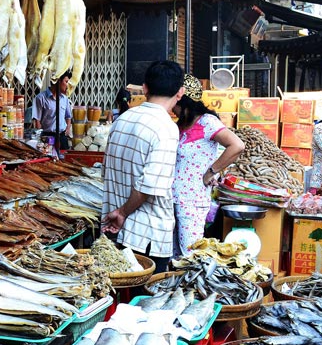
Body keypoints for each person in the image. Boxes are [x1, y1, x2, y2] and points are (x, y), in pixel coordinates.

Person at [102, 60, 183, 272]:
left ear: (145, 88)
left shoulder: (123, 119)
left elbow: (107, 170)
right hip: (147, 237)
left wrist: (119, 213)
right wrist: (122, 213)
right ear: (180, 92)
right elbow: (150, 186)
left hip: (117, 232)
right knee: (143, 299)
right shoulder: (166, 128)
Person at [172, 74, 245, 257]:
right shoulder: (180, 125)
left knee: (190, 255)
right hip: (171, 200)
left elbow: (237, 146)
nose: (171, 106)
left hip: (192, 201)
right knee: (173, 256)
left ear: (184, 101)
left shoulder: (207, 122)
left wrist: (211, 172)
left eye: (174, 100)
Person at [31, 71, 73, 150]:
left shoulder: (65, 99)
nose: (68, 85)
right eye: (66, 82)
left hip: (62, 137)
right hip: (48, 137)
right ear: (58, 81)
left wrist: (67, 129)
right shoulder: (41, 98)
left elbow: (68, 116)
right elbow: (37, 121)